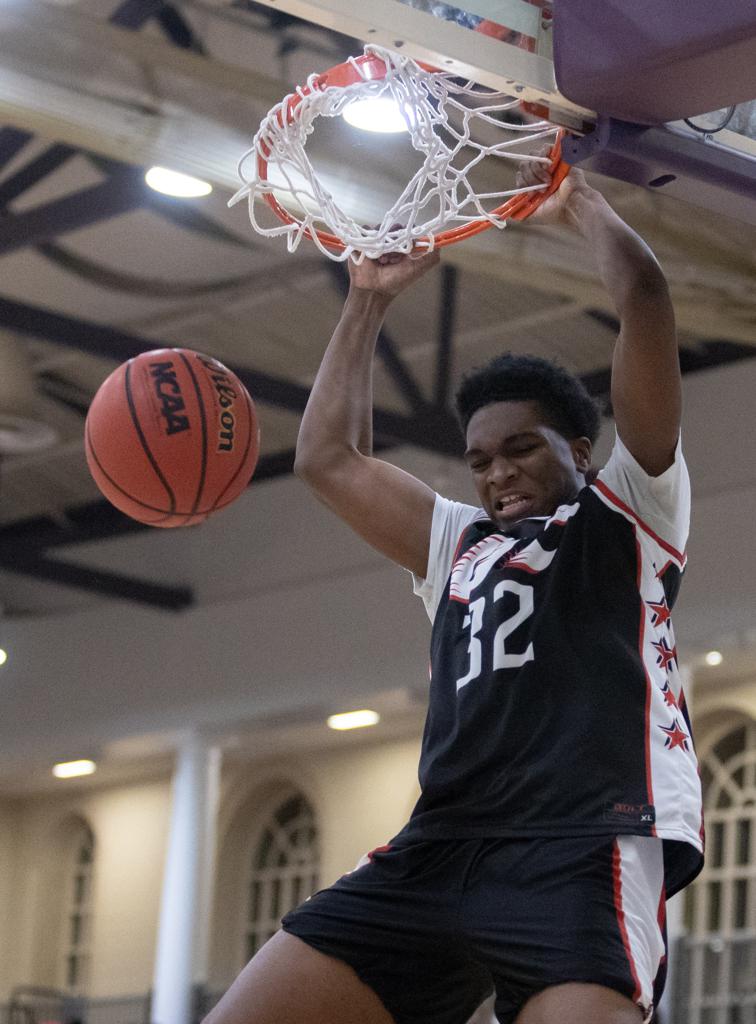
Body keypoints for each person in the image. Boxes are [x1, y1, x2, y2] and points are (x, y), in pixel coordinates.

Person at [203, 160, 703, 1024]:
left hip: (580, 846)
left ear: (581, 451)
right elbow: (327, 459)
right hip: (442, 847)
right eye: (479, 461)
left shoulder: (632, 514)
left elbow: (647, 303)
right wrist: (367, 297)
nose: (498, 473)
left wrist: (579, 201)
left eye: (522, 449)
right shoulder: (457, 543)